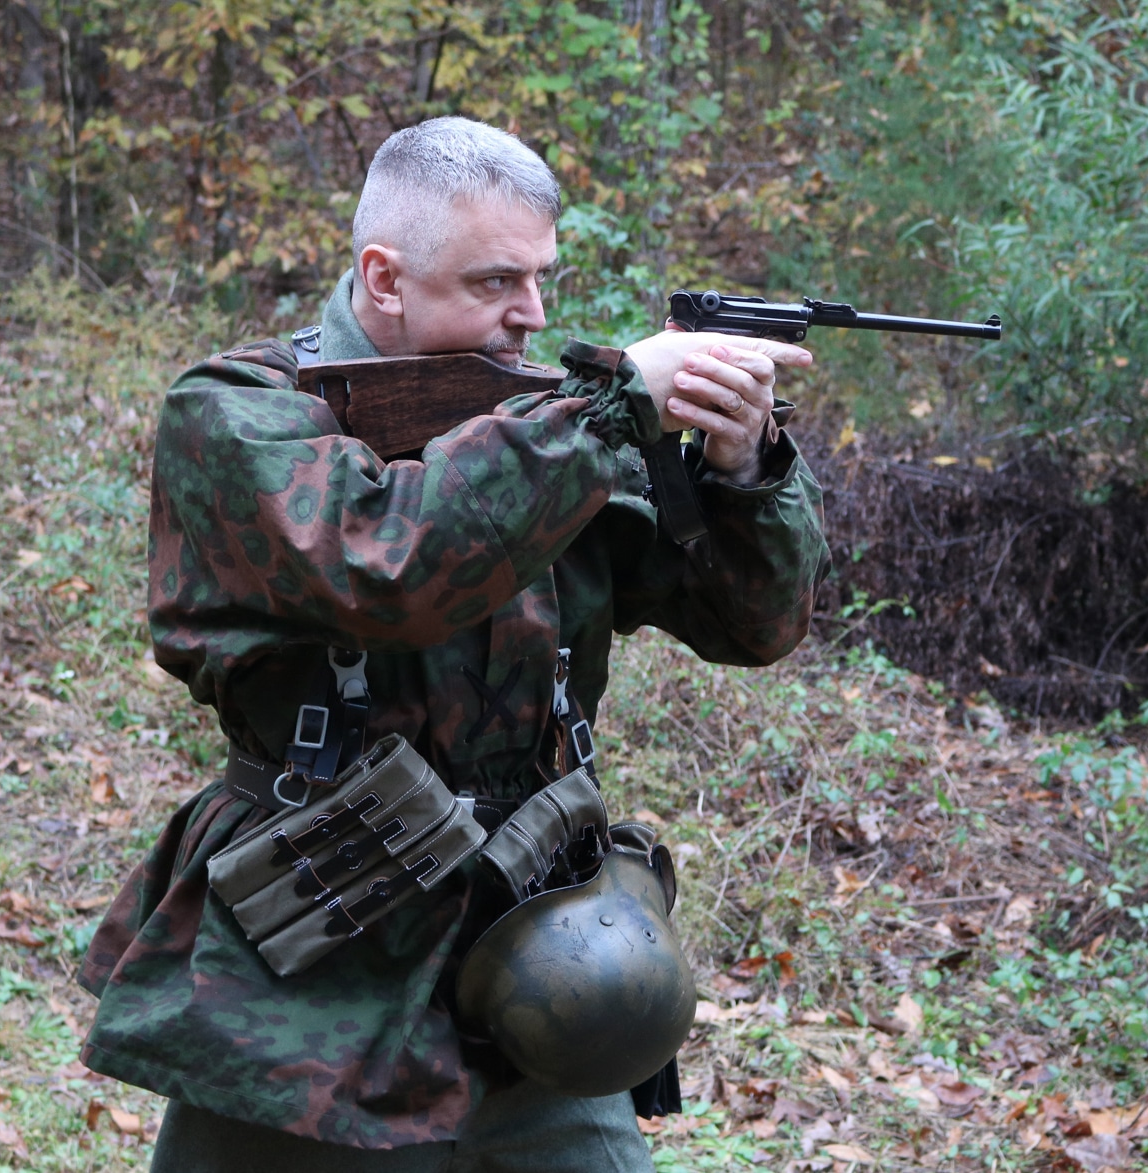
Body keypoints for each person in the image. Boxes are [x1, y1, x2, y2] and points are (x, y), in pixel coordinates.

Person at [78, 116, 830, 1173]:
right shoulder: (237, 413)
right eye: (492, 285)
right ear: (383, 279)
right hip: (317, 951)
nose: (530, 316)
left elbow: (750, 626)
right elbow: (384, 568)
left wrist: (742, 469)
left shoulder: (556, 423)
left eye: (539, 279)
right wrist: (610, 413)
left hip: (546, 948)